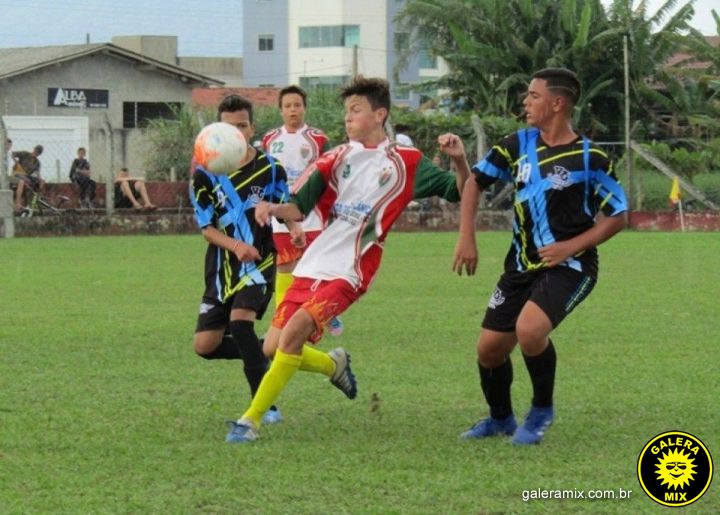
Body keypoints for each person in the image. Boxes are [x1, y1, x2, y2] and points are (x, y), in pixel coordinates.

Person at [224, 76, 471, 443]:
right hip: (313, 263)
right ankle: (333, 364)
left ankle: (249, 421)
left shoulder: (407, 162)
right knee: (273, 347)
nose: (348, 117)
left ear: (380, 115)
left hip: (352, 269)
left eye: (356, 110)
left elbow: (459, 191)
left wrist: (460, 161)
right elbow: (299, 205)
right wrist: (273, 207)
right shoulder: (336, 157)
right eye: (346, 111)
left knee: (293, 334)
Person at [452, 68, 628, 445]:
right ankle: (500, 419)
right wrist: (466, 237)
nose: (525, 102)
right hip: (520, 266)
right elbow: (474, 183)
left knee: (530, 330)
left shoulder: (591, 157)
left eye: (533, 96)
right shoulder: (516, 144)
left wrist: (570, 247)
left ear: (558, 103)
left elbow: (618, 215)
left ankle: (541, 410)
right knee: (489, 350)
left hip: (571, 265)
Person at [190, 94, 297, 427]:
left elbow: (286, 206)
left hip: (259, 263)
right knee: (205, 346)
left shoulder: (270, 168)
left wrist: (295, 228)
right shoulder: (204, 172)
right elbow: (207, 229)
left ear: (252, 128)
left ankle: (264, 406)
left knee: (240, 324)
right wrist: (235, 245)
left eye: (242, 126)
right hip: (222, 267)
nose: (236, 133)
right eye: (229, 127)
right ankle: (264, 349)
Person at [261, 85, 345, 336]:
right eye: (287, 106)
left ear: (304, 108)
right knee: (285, 266)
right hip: (280, 216)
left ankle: (327, 311)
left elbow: (330, 175)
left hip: (312, 215)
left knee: (314, 267)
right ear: (281, 110)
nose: (293, 110)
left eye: (297, 105)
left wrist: (331, 207)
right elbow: (266, 177)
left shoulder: (318, 139)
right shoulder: (270, 139)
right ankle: (282, 321)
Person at [12, 144, 44, 211]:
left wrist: (40, 180)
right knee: (24, 181)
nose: (37, 153)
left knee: (41, 181)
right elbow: (13, 154)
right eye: (36, 151)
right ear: (34, 149)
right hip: (18, 173)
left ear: (40, 154)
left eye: (38, 152)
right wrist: (17, 163)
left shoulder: (37, 162)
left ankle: (36, 202)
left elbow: (38, 173)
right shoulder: (25, 154)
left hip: (27, 176)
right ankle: (18, 203)